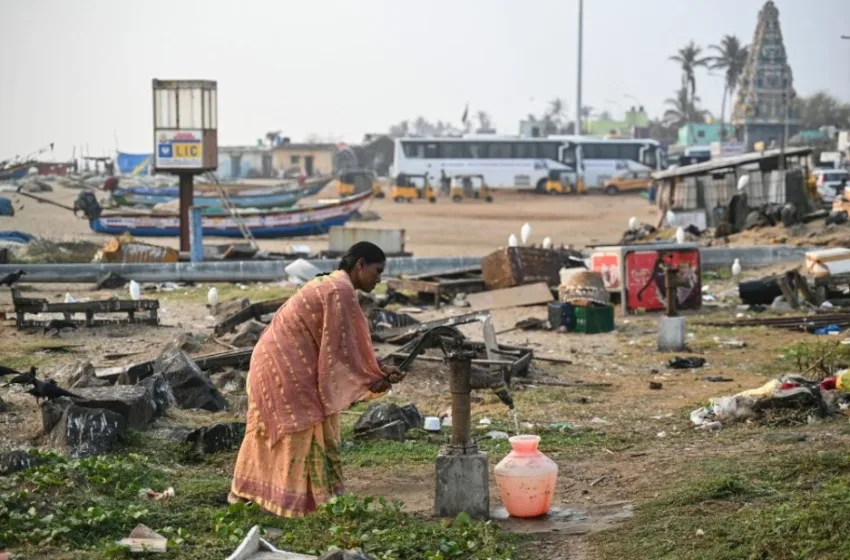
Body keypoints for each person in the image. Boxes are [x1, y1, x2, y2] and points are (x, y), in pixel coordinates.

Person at [229, 242, 404, 518]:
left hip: (277, 362)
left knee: (314, 426)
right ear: (360, 265)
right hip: (282, 366)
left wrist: (377, 371)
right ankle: (294, 503)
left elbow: (341, 347)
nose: (379, 279)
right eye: (377, 270)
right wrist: (376, 374)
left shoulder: (335, 285)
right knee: (301, 426)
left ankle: (273, 497)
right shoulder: (340, 290)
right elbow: (341, 349)